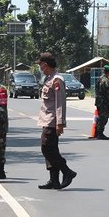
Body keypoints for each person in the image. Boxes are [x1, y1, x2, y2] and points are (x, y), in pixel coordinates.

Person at [36, 52, 77, 189]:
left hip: (53, 120)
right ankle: (54, 180)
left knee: (46, 148)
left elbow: (60, 103)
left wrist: (60, 123)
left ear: (45, 65)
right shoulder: (49, 79)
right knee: (51, 149)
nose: (40, 67)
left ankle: (67, 171)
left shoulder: (57, 80)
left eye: (40, 64)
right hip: (46, 119)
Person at [93, 64, 109, 140]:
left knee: (99, 117)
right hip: (104, 103)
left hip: (99, 102)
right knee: (104, 118)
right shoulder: (106, 81)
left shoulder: (99, 79)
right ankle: (100, 133)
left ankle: (96, 132)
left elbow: (96, 90)